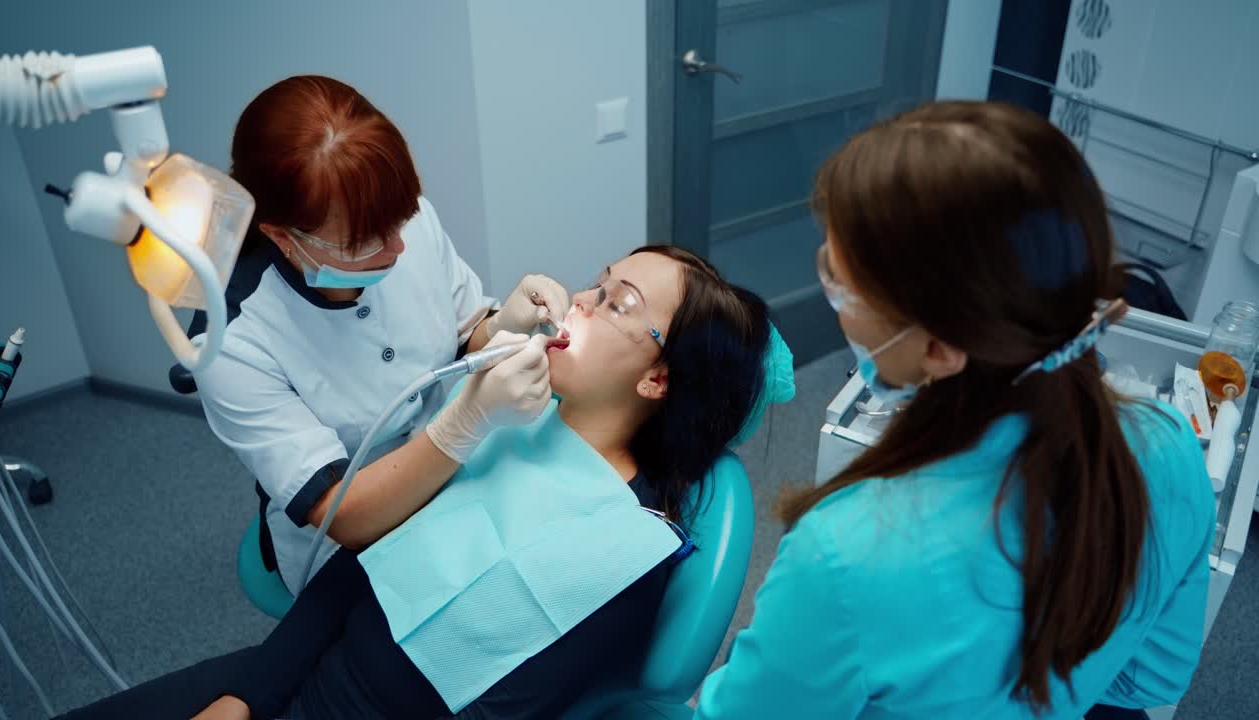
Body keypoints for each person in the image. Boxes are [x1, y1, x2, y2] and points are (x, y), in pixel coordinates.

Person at [59, 246, 785, 720]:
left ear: (658, 378)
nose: (581, 302)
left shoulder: (628, 549)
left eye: (617, 304)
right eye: (596, 283)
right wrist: (245, 699)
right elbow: (356, 577)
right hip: (294, 673)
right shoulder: (505, 421)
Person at [694, 102, 1215, 719]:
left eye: (841, 283)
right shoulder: (1170, 445)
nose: (833, 296)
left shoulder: (847, 551)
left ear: (939, 348)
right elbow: (1148, 684)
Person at [191, 75, 571, 591]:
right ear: (281, 236)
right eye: (364, 242)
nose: (398, 250)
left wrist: (501, 324)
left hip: (454, 480)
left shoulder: (394, 222)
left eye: (403, 218)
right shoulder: (231, 340)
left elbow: (463, 334)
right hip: (349, 540)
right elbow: (338, 517)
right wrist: (462, 422)